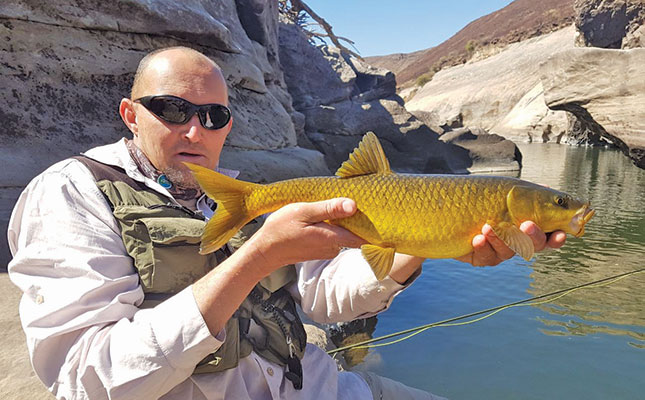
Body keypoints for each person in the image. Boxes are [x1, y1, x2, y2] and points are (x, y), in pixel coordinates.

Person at [7, 47, 566, 400]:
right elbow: (86, 379)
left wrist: (423, 244)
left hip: (324, 386)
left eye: (214, 116)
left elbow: (321, 301)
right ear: (131, 114)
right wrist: (258, 257)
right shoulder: (70, 194)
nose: (196, 132)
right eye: (172, 111)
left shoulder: (242, 197)